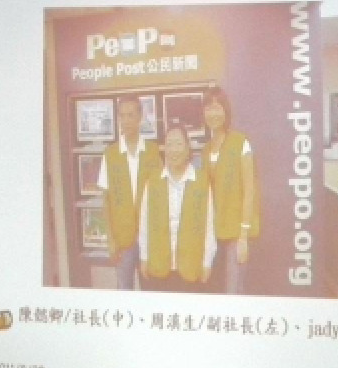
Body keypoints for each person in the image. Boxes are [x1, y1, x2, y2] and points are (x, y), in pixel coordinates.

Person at [138, 125, 216, 292]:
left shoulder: (201, 181)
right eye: (169, 144)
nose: (174, 150)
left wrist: (207, 262)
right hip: (159, 265)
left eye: (179, 144)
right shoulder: (153, 181)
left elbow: (209, 225)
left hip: (191, 267)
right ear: (164, 149)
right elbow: (144, 222)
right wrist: (144, 257)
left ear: (188, 148)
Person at [98, 94, 161, 290]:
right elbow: (106, 200)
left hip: (149, 238)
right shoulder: (110, 154)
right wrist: (110, 240)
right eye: (122, 116)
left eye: (131, 115)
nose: (126, 121)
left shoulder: (153, 151)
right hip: (122, 240)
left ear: (140, 117)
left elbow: (161, 195)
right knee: (124, 290)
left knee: (151, 289)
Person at [202, 87, 260, 294]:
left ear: (225, 110)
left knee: (233, 291)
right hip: (214, 233)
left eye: (217, 108)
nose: (213, 113)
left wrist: (243, 236)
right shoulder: (206, 149)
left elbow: (250, 191)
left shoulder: (240, 143)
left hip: (236, 233)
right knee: (218, 291)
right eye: (209, 108)